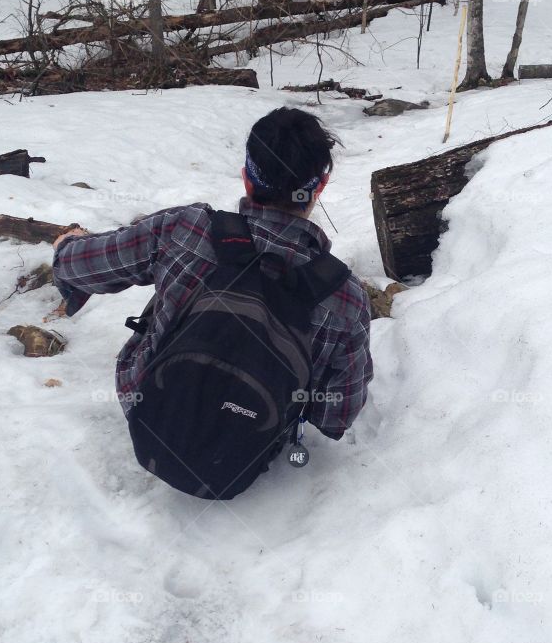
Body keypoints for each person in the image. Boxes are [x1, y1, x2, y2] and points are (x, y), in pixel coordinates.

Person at [52, 107, 373, 497]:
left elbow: (81, 266)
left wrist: (67, 245)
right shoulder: (345, 296)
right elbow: (335, 416)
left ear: (246, 177)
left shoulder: (185, 228)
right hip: (245, 449)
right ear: (318, 187)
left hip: (146, 405)